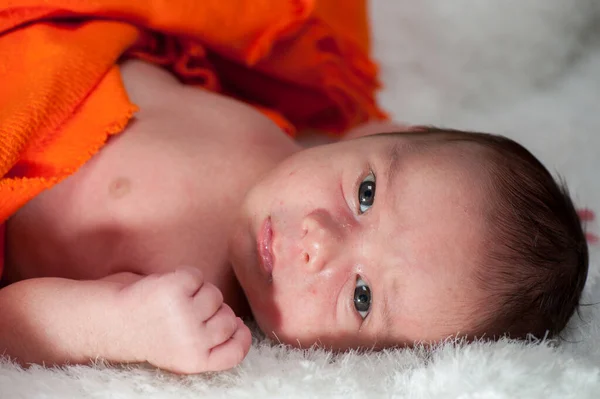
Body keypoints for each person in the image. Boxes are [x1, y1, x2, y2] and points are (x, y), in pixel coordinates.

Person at [0, 1, 592, 375]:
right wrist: (529, 227)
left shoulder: (188, 294)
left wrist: (117, 324)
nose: (318, 241)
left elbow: (13, 324)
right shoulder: (306, 138)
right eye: (365, 194)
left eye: (361, 297)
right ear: (388, 131)